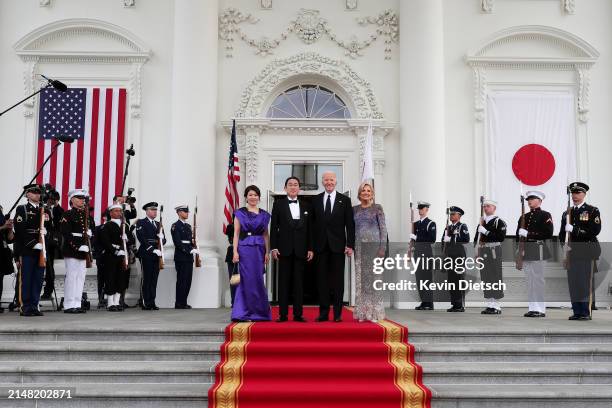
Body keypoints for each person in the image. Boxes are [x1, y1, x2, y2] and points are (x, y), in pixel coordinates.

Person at [312, 171, 355, 322]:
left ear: (336, 182)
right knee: (322, 281)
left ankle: (337, 314)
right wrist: (311, 246)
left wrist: (350, 245)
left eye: (331, 180)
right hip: (320, 246)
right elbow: (312, 225)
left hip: (338, 247)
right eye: (326, 180)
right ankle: (323, 313)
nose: (329, 182)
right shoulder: (316, 200)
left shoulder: (345, 200)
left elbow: (350, 225)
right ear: (322, 182)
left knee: (337, 281)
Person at [270, 177, 313, 323]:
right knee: (283, 283)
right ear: (285, 188)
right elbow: (274, 227)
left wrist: (310, 248)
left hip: (301, 250)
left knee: (299, 283)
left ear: (299, 188)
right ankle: (282, 314)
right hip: (284, 250)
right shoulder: (278, 204)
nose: (293, 187)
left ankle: (298, 314)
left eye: (295, 185)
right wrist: (274, 247)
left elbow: (309, 229)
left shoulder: (307, 205)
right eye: (290, 185)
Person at [559, 182, 601, 321]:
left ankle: (585, 311)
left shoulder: (592, 210)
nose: (575, 196)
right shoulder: (567, 212)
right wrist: (564, 246)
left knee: (584, 282)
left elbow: (594, 231)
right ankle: (577, 311)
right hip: (572, 253)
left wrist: (575, 230)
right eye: (573, 193)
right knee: (574, 283)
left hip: (586, 252)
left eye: (578, 193)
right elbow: (561, 233)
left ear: (584, 194)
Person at [231, 185, 272, 322]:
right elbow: (236, 233)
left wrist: (267, 252)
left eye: (255, 195)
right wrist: (235, 252)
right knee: (246, 280)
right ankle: (243, 312)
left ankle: (259, 312)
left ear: (259, 197)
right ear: (246, 197)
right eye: (250, 195)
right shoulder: (239, 213)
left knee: (258, 279)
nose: (253, 197)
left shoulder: (265, 215)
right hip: (244, 248)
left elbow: (266, 235)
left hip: (259, 249)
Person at [13, 184, 52, 316]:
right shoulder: (22, 209)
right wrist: (33, 243)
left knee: (38, 279)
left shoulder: (44, 210)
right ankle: (25, 306)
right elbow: (19, 230)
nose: (37, 195)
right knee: (27, 278)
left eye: (38, 192)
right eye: (34, 192)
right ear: (27, 194)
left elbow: (52, 228)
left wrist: (46, 233)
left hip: (41, 249)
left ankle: (35, 305)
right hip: (28, 249)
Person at [516, 190, 553, 318]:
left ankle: (540, 308)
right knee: (530, 280)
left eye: (532, 199)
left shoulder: (545, 215)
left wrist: (529, 234)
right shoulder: (523, 217)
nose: (530, 201)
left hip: (539, 249)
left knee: (538, 280)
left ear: (540, 201)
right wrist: (519, 251)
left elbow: (548, 233)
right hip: (526, 251)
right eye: (528, 199)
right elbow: (518, 236)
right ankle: (532, 307)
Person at [353, 182, 386, 322]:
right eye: (363, 190)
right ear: (359, 193)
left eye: (368, 190)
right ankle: (362, 313)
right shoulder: (354, 209)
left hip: (375, 249)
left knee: (375, 281)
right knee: (362, 282)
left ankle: (375, 313)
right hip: (359, 249)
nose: (366, 192)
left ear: (372, 193)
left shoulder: (377, 208)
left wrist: (382, 248)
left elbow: (383, 229)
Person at [60, 189, 94, 314]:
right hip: (72, 250)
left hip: (84, 250)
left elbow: (92, 232)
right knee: (72, 277)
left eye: (83, 198)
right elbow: (66, 233)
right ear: (72, 200)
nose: (82, 200)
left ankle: (77, 303)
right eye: (79, 198)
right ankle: (69, 304)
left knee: (81, 277)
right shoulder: (67, 215)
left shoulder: (86, 216)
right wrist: (77, 246)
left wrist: (90, 237)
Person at [474, 199, 507, 314]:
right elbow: (477, 239)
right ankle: (489, 304)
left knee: (495, 276)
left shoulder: (499, 222)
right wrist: (476, 252)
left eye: (488, 206)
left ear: (494, 208)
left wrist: (486, 232)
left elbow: (500, 237)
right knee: (486, 277)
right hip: (483, 250)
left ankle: (496, 305)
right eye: (485, 206)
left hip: (494, 250)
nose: (486, 208)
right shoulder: (482, 222)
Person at [136, 202, 166, 310]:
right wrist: (152, 249)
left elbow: (164, 240)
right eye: (152, 210)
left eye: (156, 210)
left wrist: (162, 238)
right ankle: (145, 302)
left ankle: (152, 302)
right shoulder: (141, 222)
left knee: (154, 279)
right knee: (146, 278)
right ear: (147, 211)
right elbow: (141, 238)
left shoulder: (158, 224)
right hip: (146, 253)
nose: (155, 212)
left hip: (156, 255)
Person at [100, 204, 129, 311]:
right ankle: (110, 303)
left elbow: (129, 239)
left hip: (122, 255)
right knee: (110, 278)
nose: (118, 213)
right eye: (116, 211)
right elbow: (105, 241)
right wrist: (116, 251)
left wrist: (127, 238)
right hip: (111, 255)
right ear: (111, 213)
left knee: (120, 278)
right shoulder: (107, 225)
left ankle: (117, 302)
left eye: (120, 211)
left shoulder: (124, 225)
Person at [171, 204, 199, 309]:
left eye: (187, 212)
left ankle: (184, 302)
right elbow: (177, 242)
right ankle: (179, 303)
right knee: (181, 280)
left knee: (188, 280)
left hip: (188, 257)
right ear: (179, 212)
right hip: (181, 256)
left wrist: (194, 246)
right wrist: (189, 250)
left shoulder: (188, 226)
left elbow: (190, 241)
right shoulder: (175, 226)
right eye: (185, 211)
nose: (187, 213)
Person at [442, 206, 469, 312]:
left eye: (453, 214)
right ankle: (454, 303)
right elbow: (443, 242)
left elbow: (466, 239)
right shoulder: (447, 228)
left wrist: (453, 237)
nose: (451, 216)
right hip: (449, 256)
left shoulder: (462, 226)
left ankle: (460, 304)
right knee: (451, 280)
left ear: (459, 216)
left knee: (458, 280)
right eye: (450, 214)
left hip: (458, 256)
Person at [412, 201, 437, 311]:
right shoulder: (416, 224)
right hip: (417, 253)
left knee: (427, 279)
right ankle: (423, 301)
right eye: (419, 209)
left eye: (422, 209)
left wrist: (416, 238)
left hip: (426, 253)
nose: (420, 210)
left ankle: (429, 303)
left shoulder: (431, 223)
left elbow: (432, 239)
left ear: (427, 209)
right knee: (419, 278)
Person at [41, 189, 63, 300]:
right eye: (50, 199)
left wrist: (56, 205)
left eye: (53, 200)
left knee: (50, 269)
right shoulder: (42, 209)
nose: (51, 201)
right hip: (41, 240)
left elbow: (60, 222)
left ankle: (47, 292)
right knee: (39, 267)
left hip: (51, 243)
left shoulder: (58, 210)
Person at [0, 206, 15, 313]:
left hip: (2, 253)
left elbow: (10, 239)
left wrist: (9, 228)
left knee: (0, 279)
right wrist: (3, 226)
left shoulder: (3, 222)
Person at [225, 222, 237, 306]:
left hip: (243, 252)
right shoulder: (231, 227)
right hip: (232, 253)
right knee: (234, 280)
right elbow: (228, 232)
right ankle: (234, 301)